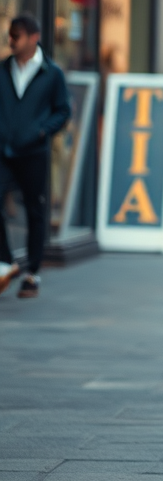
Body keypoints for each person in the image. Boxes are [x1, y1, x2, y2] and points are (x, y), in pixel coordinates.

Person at [0, 15, 71, 299]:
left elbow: (63, 111)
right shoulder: (2, 69)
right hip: (4, 151)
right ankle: (7, 262)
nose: (11, 41)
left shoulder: (51, 73)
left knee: (35, 211)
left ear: (33, 37)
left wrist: (42, 132)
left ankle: (32, 273)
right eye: (10, 35)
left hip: (34, 152)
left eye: (16, 36)